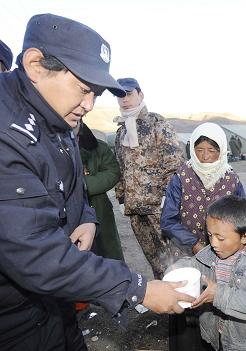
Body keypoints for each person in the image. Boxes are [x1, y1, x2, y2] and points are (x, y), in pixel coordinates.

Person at [0, 13, 193, 351]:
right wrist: (138, 289)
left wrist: (86, 218)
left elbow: (71, 179)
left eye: (96, 94)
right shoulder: (8, 131)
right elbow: (33, 251)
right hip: (13, 314)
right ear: (35, 64)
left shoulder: (53, 117)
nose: (89, 105)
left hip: (51, 301)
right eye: (83, 89)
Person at [161, 122, 246, 350]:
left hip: (223, 255)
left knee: (217, 301)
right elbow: (168, 220)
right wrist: (195, 244)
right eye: (200, 150)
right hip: (187, 253)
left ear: (222, 151)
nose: (206, 156)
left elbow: (243, 215)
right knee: (188, 303)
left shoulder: (231, 179)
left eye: (212, 150)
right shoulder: (181, 177)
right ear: (192, 150)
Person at [168, 195, 246, 351]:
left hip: (245, 344)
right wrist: (174, 270)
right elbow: (192, 265)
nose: (213, 243)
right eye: (210, 235)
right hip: (215, 337)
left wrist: (219, 295)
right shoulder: (210, 254)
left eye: (220, 238)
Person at [114, 77, 183, 279]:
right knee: (154, 259)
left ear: (140, 95)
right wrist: (121, 198)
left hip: (159, 208)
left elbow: (174, 163)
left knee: (175, 257)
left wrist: (168, 198)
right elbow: (120, 168)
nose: (124, 99)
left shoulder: (157, 124)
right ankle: (167, 301)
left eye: (128, 94)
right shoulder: (121, 132)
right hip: (136, 210)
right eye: (119, 95)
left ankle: (186, 303)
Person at [76, 121, 124, 261]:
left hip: (99, 208)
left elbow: (113, 171)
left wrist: (84, 184)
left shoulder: (97, 147)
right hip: (69, 213)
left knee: (108, 252)